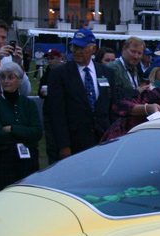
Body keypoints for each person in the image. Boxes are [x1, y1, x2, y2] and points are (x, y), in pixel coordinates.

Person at [46, 28, 112, 159]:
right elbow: (56, 112)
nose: (77, 51)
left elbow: (110, 106)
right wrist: (64, 146)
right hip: (73, 143)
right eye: (74, 47)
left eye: (81, 47)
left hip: (102, 140)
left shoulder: (107, 73)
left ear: (93, 49)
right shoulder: (59, 74)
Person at [0, 64, 42, 191]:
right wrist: (25, 134)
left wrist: (12, 128)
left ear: (19, 80)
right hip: (3, 161)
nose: (6, 81)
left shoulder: (29, 104)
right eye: (3, 77)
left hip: (28, 159)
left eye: (11, 77)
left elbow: (37, 132)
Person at [105, 37, 145, 120]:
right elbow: (114, 95)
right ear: (123, 50)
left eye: (139, 53)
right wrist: (136, 91)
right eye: (133, 51)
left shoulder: (134, 68)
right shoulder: (112, 68)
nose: (136, 56)